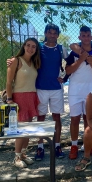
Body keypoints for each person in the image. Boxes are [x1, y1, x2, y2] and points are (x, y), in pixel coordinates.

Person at [66, 26, 92, 160]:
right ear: (79, 37)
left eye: (88, 35)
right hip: (75, 91)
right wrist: (81, 59)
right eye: (83, 35)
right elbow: (68, 71)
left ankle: (90, 144)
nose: (86, 37)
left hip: (90, 92)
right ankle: (74, 146)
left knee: (88, 120)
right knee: (74, 119)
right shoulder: (73, 53)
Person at [6, 38, 41, 168]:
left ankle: (23, 154)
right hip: (19, 98)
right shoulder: (16, 60)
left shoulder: (33, 62)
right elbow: (9, 82)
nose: (30, 48)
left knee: (27, 129)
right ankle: (16, 157)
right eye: (28, 45)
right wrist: (10, 100)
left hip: (31, 97)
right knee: (20, 130)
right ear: (24, 46)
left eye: (33, 46)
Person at [35, 24, 68, 160]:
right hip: (40, 88)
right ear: (45, 33)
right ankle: (40, 147)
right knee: (41, 118)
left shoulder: (61, 49)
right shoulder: (38, 48)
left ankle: (57, 145)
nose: (52, 35)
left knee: (56, 118)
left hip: (56, 89)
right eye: (50, 33)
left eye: (55, 33)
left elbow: (71, 63)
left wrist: (65, 77)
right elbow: (26, 58)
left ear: (58, 35)